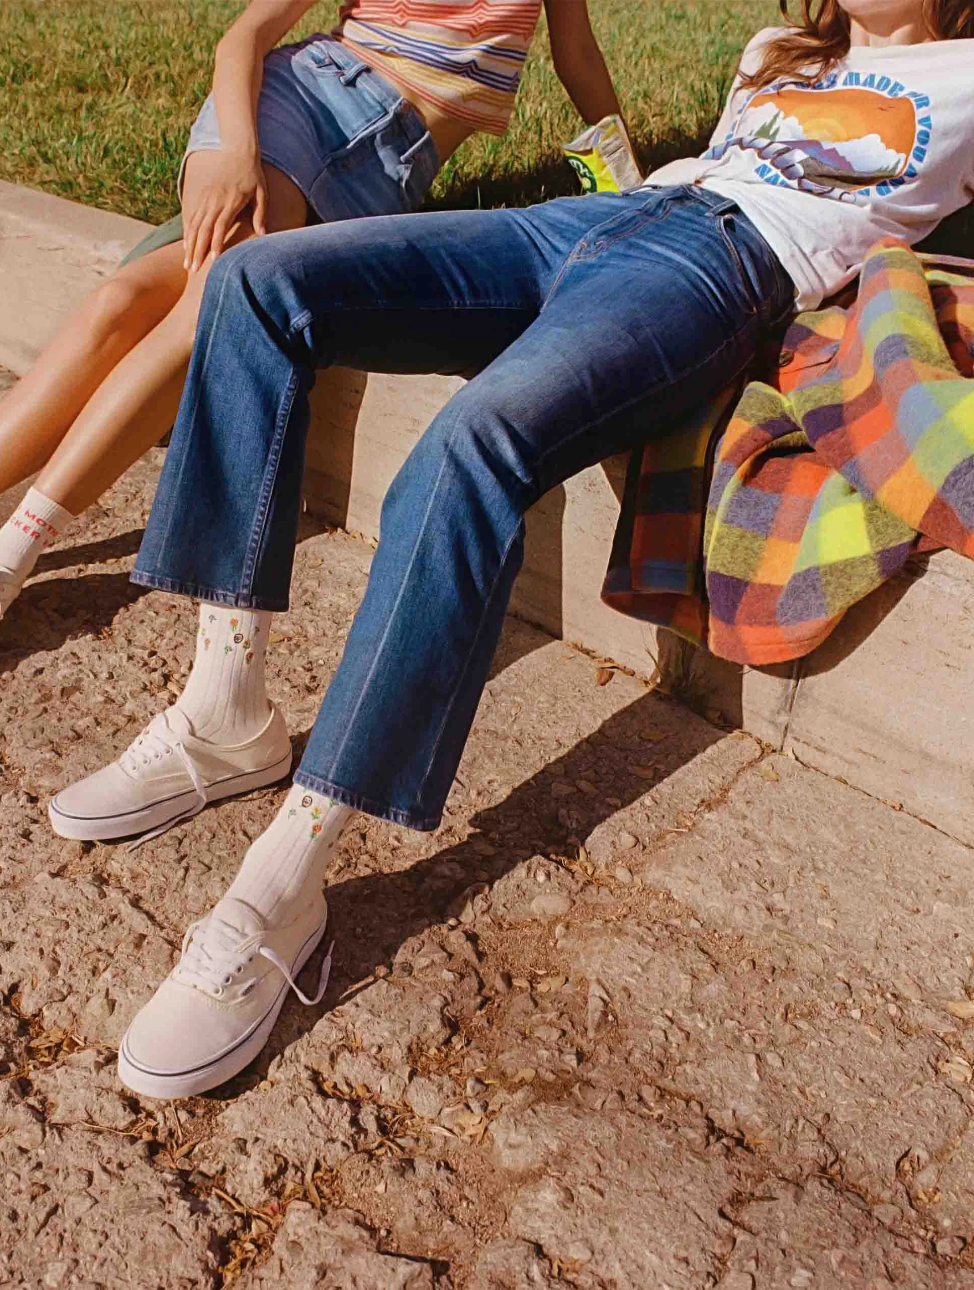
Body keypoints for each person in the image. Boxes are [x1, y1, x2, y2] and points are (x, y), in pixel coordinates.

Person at [52, 0, 974, 1099]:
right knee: (259, 283)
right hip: (603, 218)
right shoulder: (779, 53)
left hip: (718, 271)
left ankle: (286, 876)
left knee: (470, 444)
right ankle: (224, 708)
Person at [0, 0, 623, 621]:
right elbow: (243, 37)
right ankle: (15, 550)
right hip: (288, 110)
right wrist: (240, 155)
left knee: (130, 299)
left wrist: (629, 177)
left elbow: (579, 54)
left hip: (377, 176)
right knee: (205, 307)